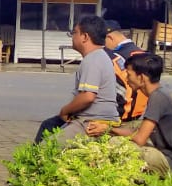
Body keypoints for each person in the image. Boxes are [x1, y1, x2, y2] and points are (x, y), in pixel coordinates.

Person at [86, 53, 172, 175]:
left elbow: (139, 139)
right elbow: (138, 131)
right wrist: (109, 129)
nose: (126, 78)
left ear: (141, 78)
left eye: (129, 74)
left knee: (117, 144)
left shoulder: (157, 98)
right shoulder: (165, 90)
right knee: (126, 133)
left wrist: (108, 129)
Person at [34, 15, 118, 144]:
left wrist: (65, 110)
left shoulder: (93, 60)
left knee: (46, 149)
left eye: (74, 33)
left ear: (85, 37)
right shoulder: (100, 56)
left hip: (91, 122)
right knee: (49, 125)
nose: (72, 37)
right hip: (91, 118)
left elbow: (88, 97)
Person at [104, 20, 148, 122]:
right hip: (137, 114)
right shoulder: (141, 53)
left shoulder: (117, 58)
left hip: (121, 114)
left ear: (110, 37)